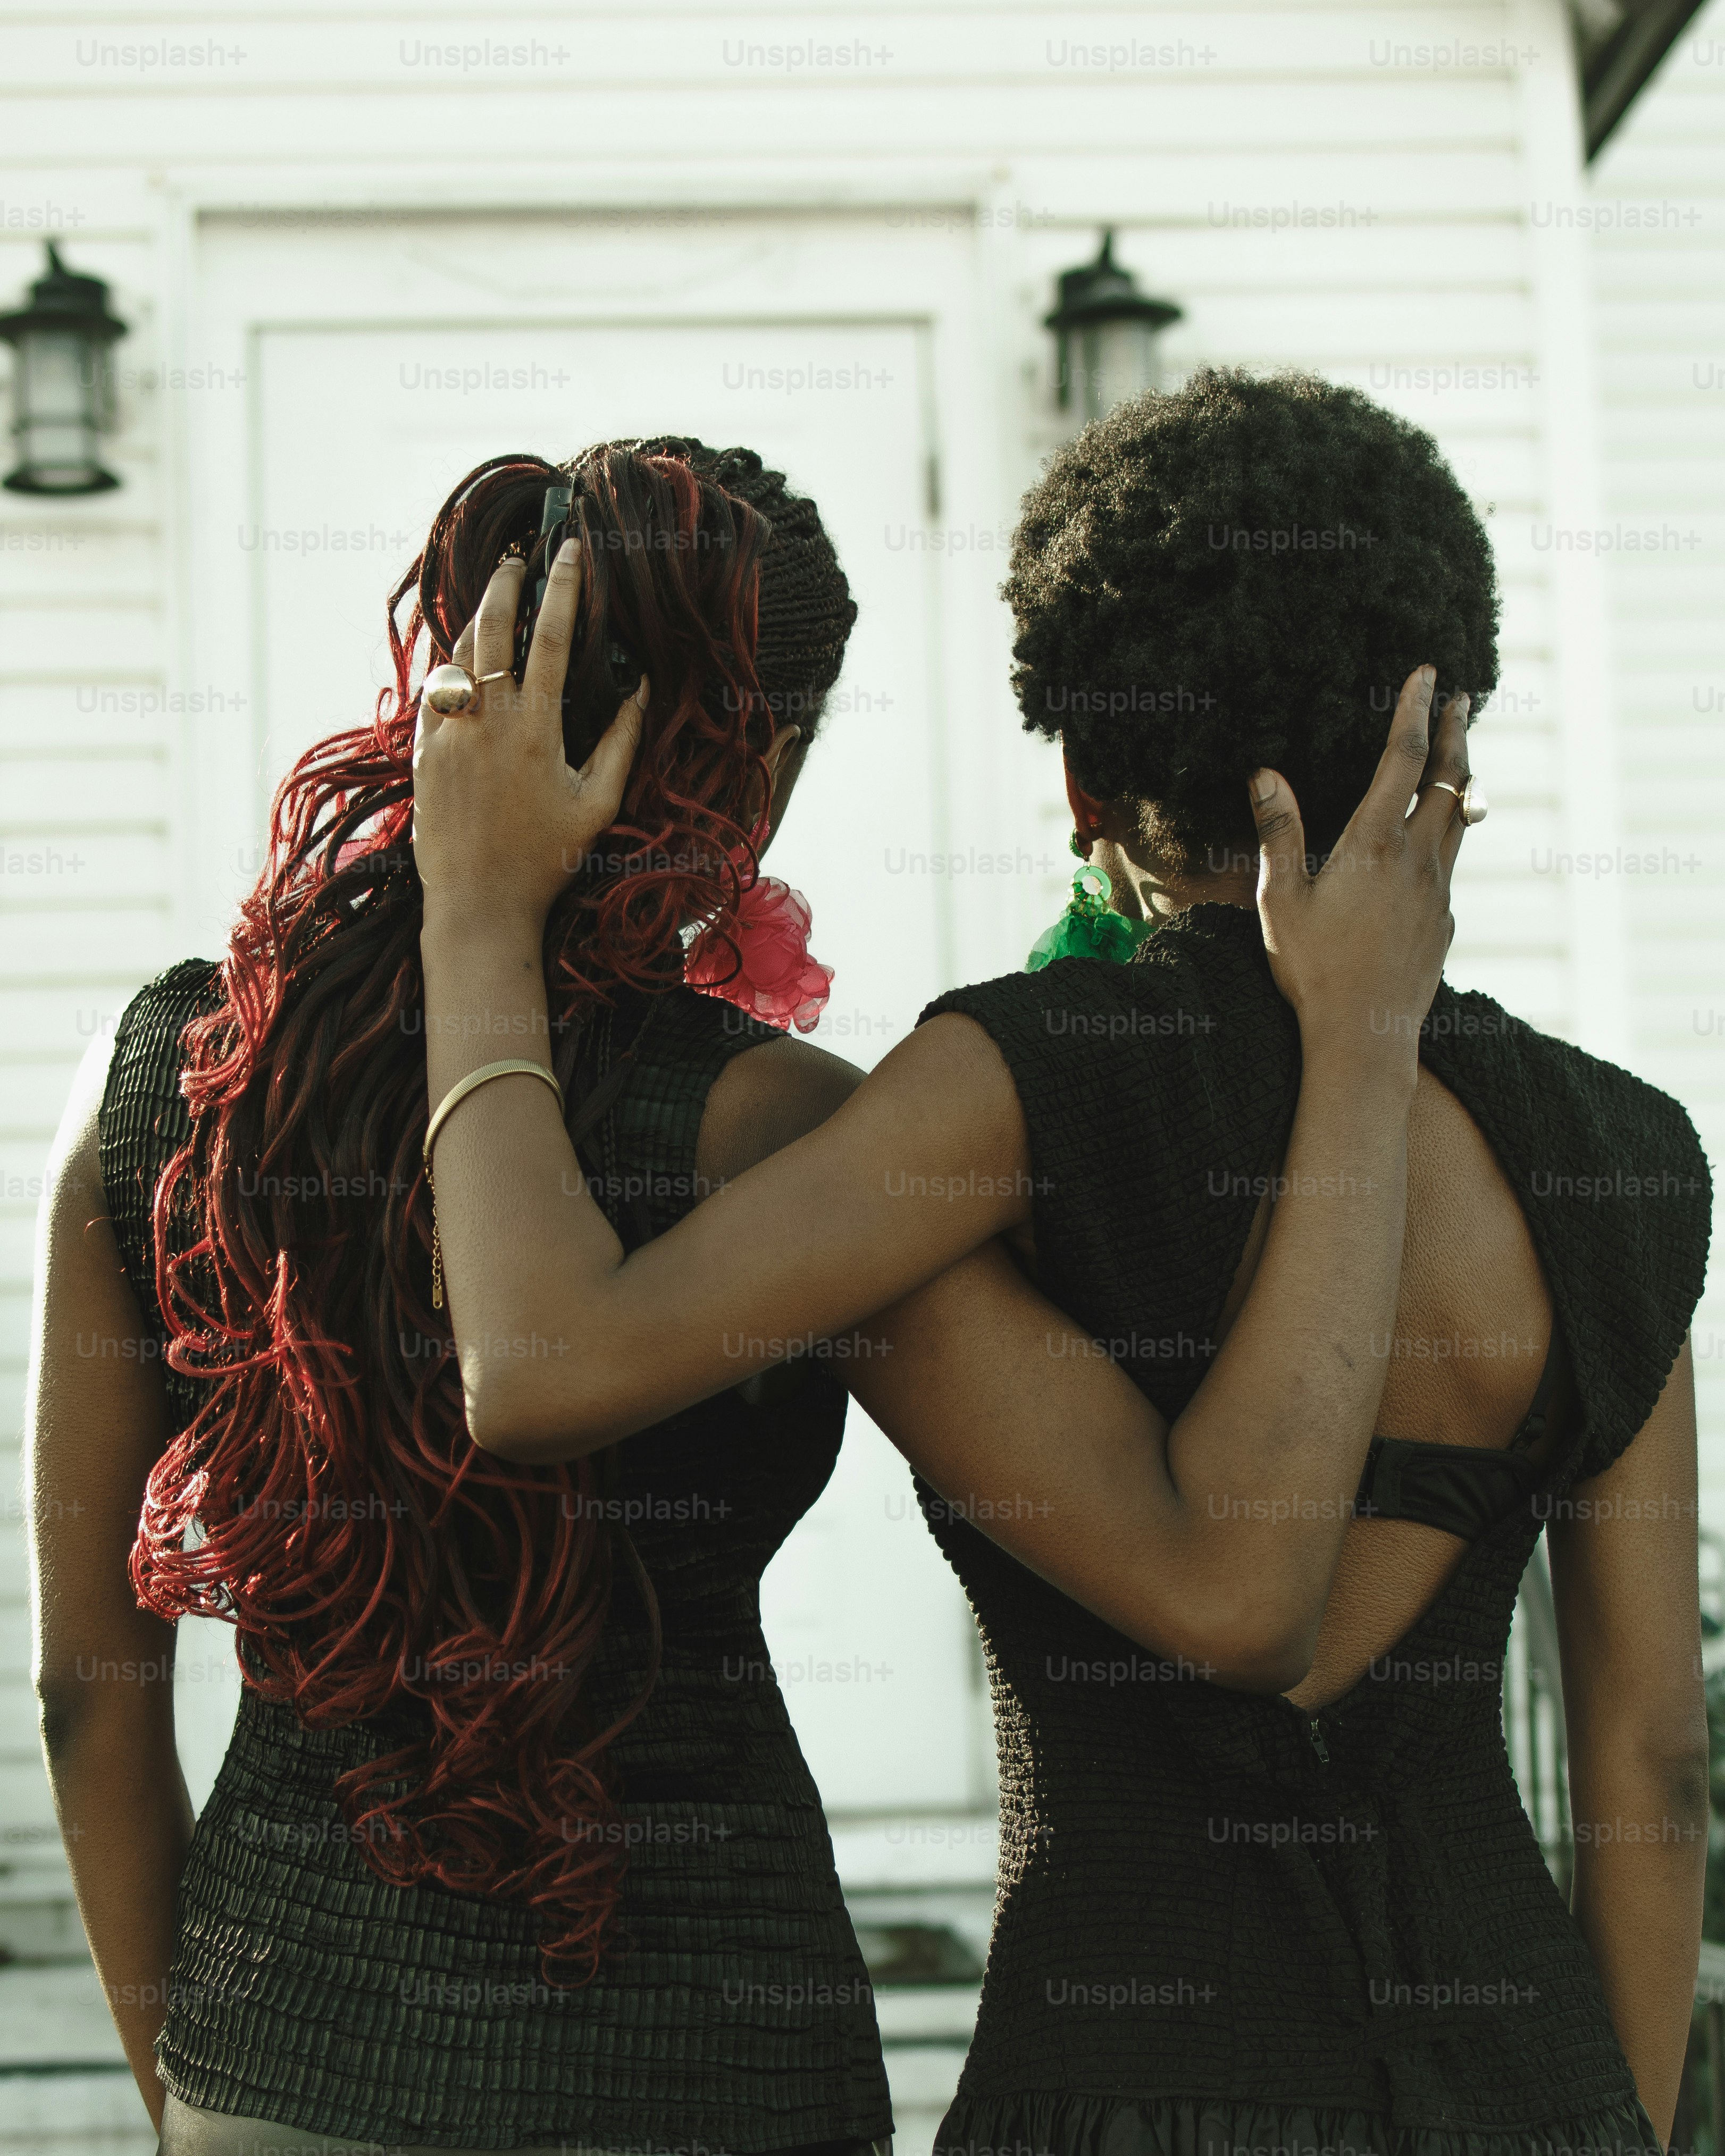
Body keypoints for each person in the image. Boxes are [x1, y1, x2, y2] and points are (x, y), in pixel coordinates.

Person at [31, 430, 1460, 2156]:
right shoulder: (779, 1129)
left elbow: (86, 1695)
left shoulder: (171, 1076)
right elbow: (1215, 1576)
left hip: (283, 2050)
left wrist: (188, 2083)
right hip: (712, 2063)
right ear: (758, 761)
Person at [412, 377, 1711, 2156]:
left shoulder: (1015, 1084)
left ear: (1085, 768)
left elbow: (546, 1367)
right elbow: (1648, 1768)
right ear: (1442, 737)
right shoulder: (1621, 1156)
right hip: (1535, 2088)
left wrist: (475, 910)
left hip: (1113, 2091)